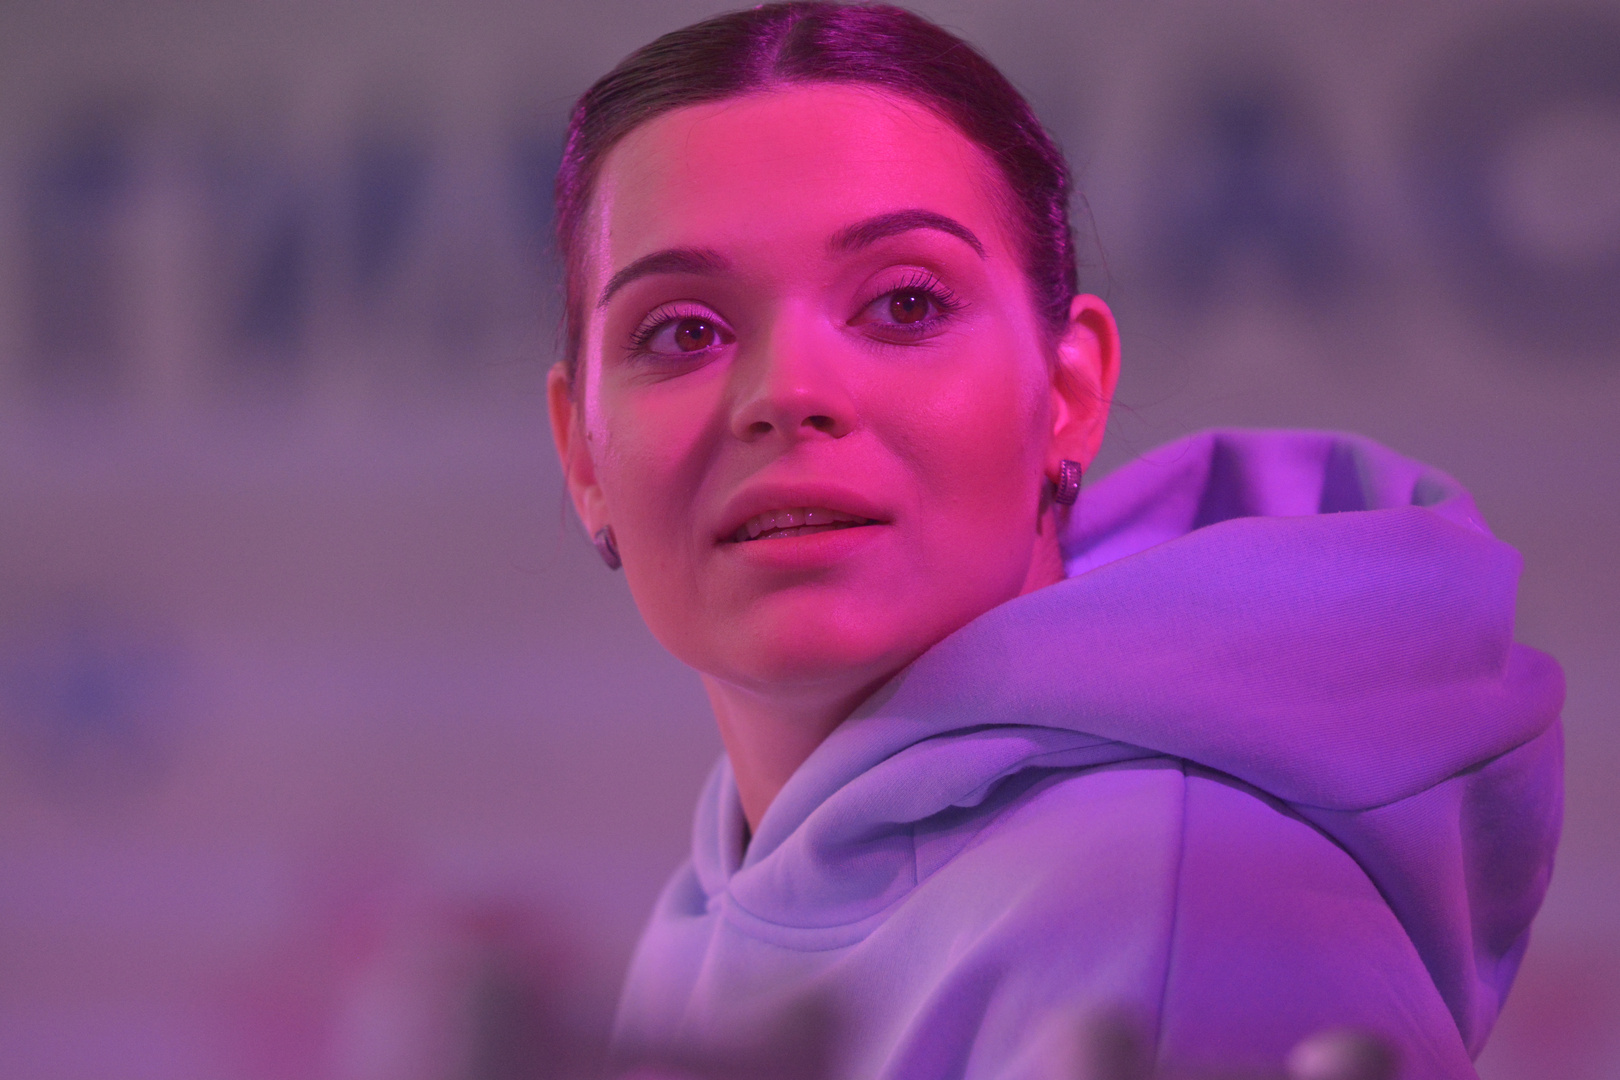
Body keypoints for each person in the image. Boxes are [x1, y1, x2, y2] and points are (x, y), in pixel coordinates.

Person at [543, 4, 1564, 1078]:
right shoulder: (723, 885)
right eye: (684, 331)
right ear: (581, 455)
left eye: (903, 306)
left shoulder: (1182, 907)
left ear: (1069, 393)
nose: (789, 392)